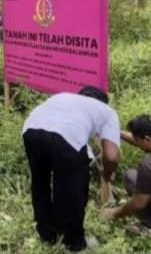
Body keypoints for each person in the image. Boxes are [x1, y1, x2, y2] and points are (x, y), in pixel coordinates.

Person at [22, 87, 121, 252]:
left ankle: (47, 235)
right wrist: (107, 175)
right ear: (103, 102)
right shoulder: (107, 111)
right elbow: (111, 156)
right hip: (66, 136)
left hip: (31, 130)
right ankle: (73, 242)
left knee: (40, 183)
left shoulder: (62, 95)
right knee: (73, 190)